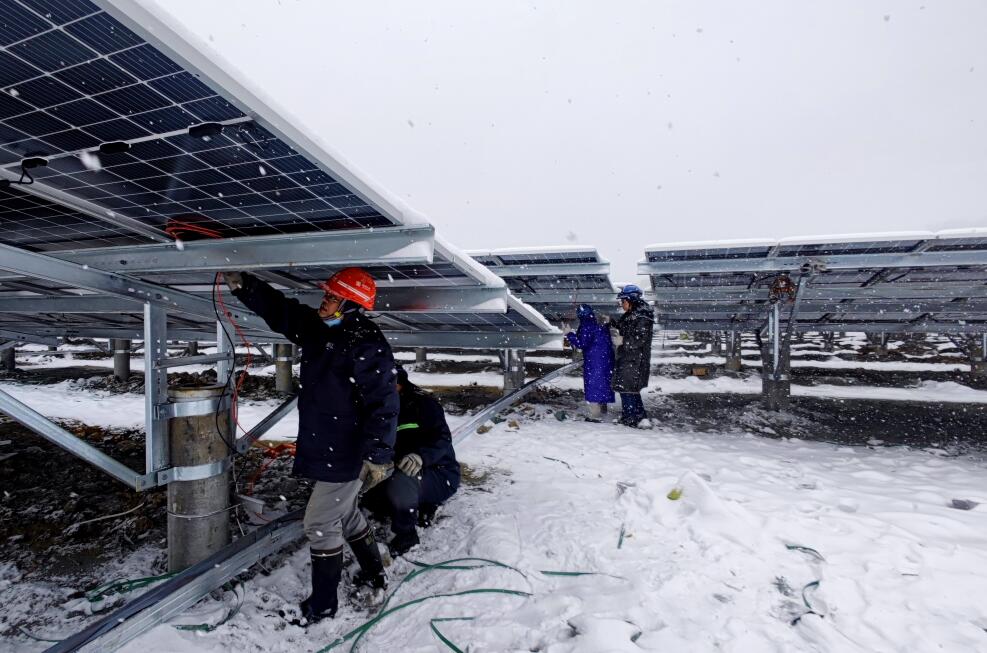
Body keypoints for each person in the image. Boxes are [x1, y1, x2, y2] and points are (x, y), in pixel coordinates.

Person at [224, 268, 398, 624]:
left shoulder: (366, 343)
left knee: (320, 522)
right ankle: (375, 573)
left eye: (333, 297)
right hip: (328, 442)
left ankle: (323, 605)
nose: (325, 301)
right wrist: (246, 286)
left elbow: (384, 403)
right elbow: (283, 311)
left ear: (351, 305)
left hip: (348, 450)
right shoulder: (320, 328)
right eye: (327, 294)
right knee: (345, 514)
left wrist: (378, 455)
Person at [363, 366, 460, 557]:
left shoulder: (423, 404)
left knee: (403, 480)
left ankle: (406, 535)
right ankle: (413, 504)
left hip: (438, 473)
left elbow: (442, 439)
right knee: (372, 499)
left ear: (399, 385)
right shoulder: (379, 409)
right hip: (397, 469)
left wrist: (421, 456)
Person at [612, 284, 655, 428]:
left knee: (627, 389)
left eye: (623, 301)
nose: (621, 304)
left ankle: (630, 418)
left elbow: (640, 339)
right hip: (629, 358)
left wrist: (623, 340)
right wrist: (611, 322)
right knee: (631, 390)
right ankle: (640, 417)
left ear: (632, 300)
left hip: (636, 360)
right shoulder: (632, 314)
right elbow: (624, 327)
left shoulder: (642, 316)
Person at [565, 304, 615, 421]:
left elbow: (582, 343)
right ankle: (603, 410)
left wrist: (569, 334)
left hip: (594, 361)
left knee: (593, 386)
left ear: (580, 315)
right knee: (603, 384)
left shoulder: (586, 325)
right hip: (606, 360)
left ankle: (595, 415)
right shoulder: (599, 324)